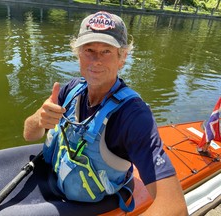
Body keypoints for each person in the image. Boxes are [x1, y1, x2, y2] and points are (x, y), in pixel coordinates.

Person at [23, 11, 188, 215]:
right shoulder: (70, 90)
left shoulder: (134, 116)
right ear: (78, 53)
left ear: (122, 57)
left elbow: (175, 207)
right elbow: (29, 134)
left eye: (106, 51)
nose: (96, 60)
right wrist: (39, 119)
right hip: (53, 179)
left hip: (94, 203)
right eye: (89, 49)